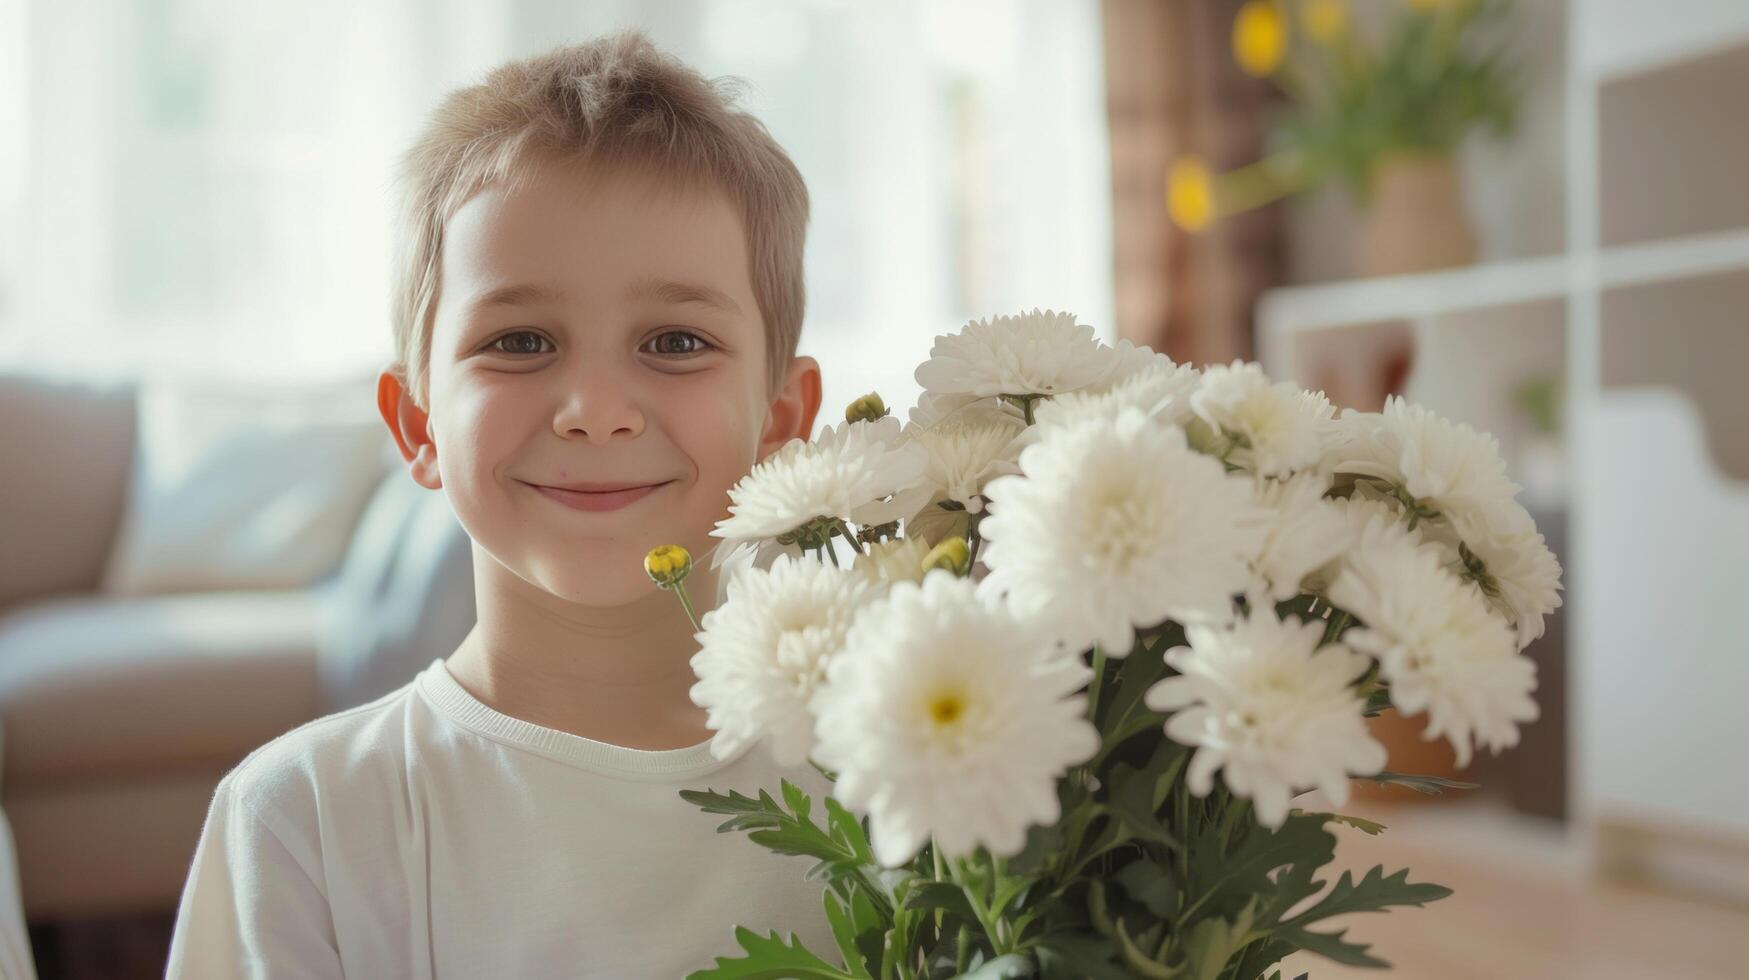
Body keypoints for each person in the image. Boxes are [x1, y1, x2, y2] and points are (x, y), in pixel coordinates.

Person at [165, 29, 835, 977]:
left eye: (676, 342)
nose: (596, 412)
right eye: (520, 342)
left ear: (779, 421)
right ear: (417, 423)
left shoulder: (906, 784)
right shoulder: (302, 821)